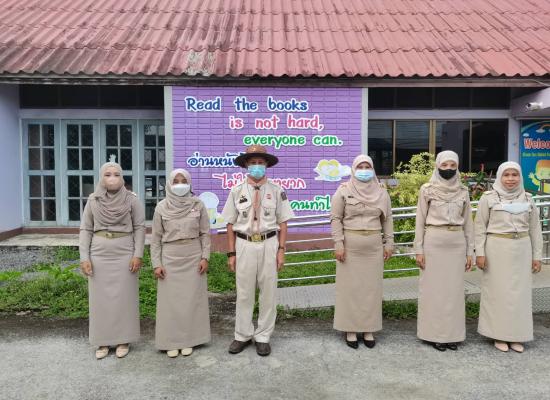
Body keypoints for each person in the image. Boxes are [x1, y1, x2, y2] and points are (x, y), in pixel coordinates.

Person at [221, 145, 295, 356]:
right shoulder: (236, 191)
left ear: (267, 165)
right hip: (244, 244)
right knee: (244, 293)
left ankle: (263, 336)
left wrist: (281, 250)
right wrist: (231, 253)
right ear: (246, 165)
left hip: (269, 243)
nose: (256, 166)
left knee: (268, 293)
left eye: (260, 163)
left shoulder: (277, 191)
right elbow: (229, 224)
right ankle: (242, 335)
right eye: (252, 163)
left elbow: (283, 223)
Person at [475, 161, 543, 353]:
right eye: (506, 175)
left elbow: (535, 229)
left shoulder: (528, 199)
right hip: (496, 249)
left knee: (519, 295)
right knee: (498, 293)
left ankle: (516, 336)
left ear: (520, 177)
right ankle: (499, 334)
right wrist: (480, 253)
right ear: (499, 176)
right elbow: (479, 227)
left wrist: (537, 256)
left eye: (515, 175)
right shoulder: (488, 198)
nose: (511, 179)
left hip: (522, 249)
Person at [79, 162, 145, 359]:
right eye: (107, 174)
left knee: (125, 298)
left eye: (116, 174)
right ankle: (102, 341)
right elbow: (86, 228)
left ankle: (124, 339)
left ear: (122, 177)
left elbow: (140, 227)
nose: (112, 178)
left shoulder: (132, 200)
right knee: (100, 300)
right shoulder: (93, 200)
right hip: (99, 254)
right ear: (101, 177)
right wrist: (84, 257)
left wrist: (138, 254)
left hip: (125, 252)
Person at [330, 155, 393, 349]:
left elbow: (387, 219)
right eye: (360, 167)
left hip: (373, 246)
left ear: (372, 169)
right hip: (350, 247)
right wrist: (338, 244)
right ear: (353, 169)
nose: (364, 170)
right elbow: (335, 218)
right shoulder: (343, 190)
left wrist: (389, 242)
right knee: (350, 289)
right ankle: (350, 329)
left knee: (371, 289)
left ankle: (368, 329)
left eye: (367, 167)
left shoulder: (381, 192)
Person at [414, 151, 474, 351]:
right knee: (433, 290)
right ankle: (434, 334)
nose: (448, 169)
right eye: (444, 165)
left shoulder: (463, 191)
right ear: (437, 166)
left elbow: (468, 223)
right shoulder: (427, 190)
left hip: (457, 243)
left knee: (454, 291)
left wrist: (470, 252)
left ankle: (452, 335)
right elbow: (420, 220)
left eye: (452, 165)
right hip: (434, 243)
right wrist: (419, 249)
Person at [150, 168, 211, 358]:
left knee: (192, 300)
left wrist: (205, 257)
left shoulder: (198, 204)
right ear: (169, 184)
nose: (180, 184)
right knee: (170, 302)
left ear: (189, 182)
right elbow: (156, 238)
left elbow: (205, 233)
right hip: (170, 258)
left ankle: (189, 340)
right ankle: (171, 341)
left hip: (193, 256)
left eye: (183, 181)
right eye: (175, 181)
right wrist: (156, 263)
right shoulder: (161, 207)